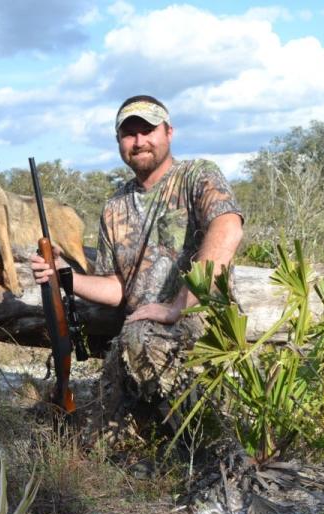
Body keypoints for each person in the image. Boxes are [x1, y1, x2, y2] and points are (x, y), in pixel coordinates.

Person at [31, 95, 244, 425]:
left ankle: (207, 438)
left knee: (144, 340)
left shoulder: (197, 175)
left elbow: (227, 227)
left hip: (196, 327)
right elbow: (118, 288)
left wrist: (177, 306)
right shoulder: (115, 206)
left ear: (168, 132)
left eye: (148, 130)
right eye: (129, 133)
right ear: (119, 141)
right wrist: (65, 276)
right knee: (86, 434)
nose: (139, 141)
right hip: (136, 341)